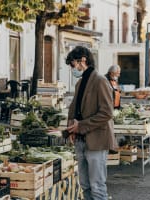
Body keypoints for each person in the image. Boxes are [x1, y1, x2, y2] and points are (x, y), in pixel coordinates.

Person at [65, 46, 116, 200]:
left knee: (97, 186)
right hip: (80, 140)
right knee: (85, 185)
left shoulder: (100, 81)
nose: (72, 69)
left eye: (73, 65)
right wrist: (71, 129)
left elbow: (107, 113)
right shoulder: (80, 83)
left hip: (96, 141)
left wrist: (81, 126)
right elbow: (74, 108)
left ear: (83, 61)